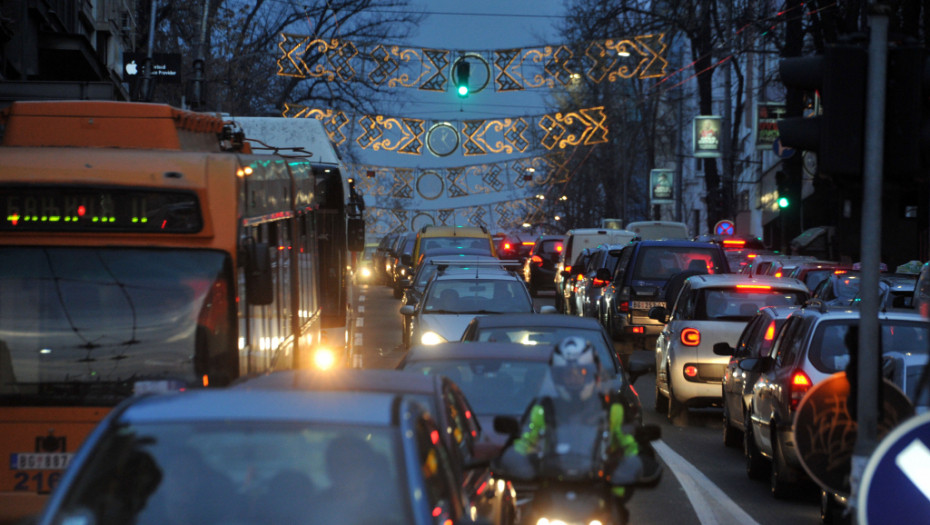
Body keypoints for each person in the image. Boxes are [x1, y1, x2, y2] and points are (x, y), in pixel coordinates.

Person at [511, 337, 639, 498]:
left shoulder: (611, 408)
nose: (574, 378)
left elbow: (630, 445)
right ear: (556, 376)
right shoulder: (543, 408)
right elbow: (524, 441)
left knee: (618, 511)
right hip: (551, 489)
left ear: (592, 373)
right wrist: (514, 459)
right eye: (566, 374)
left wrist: (633, 464)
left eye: (581, 372)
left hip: (601, 491)